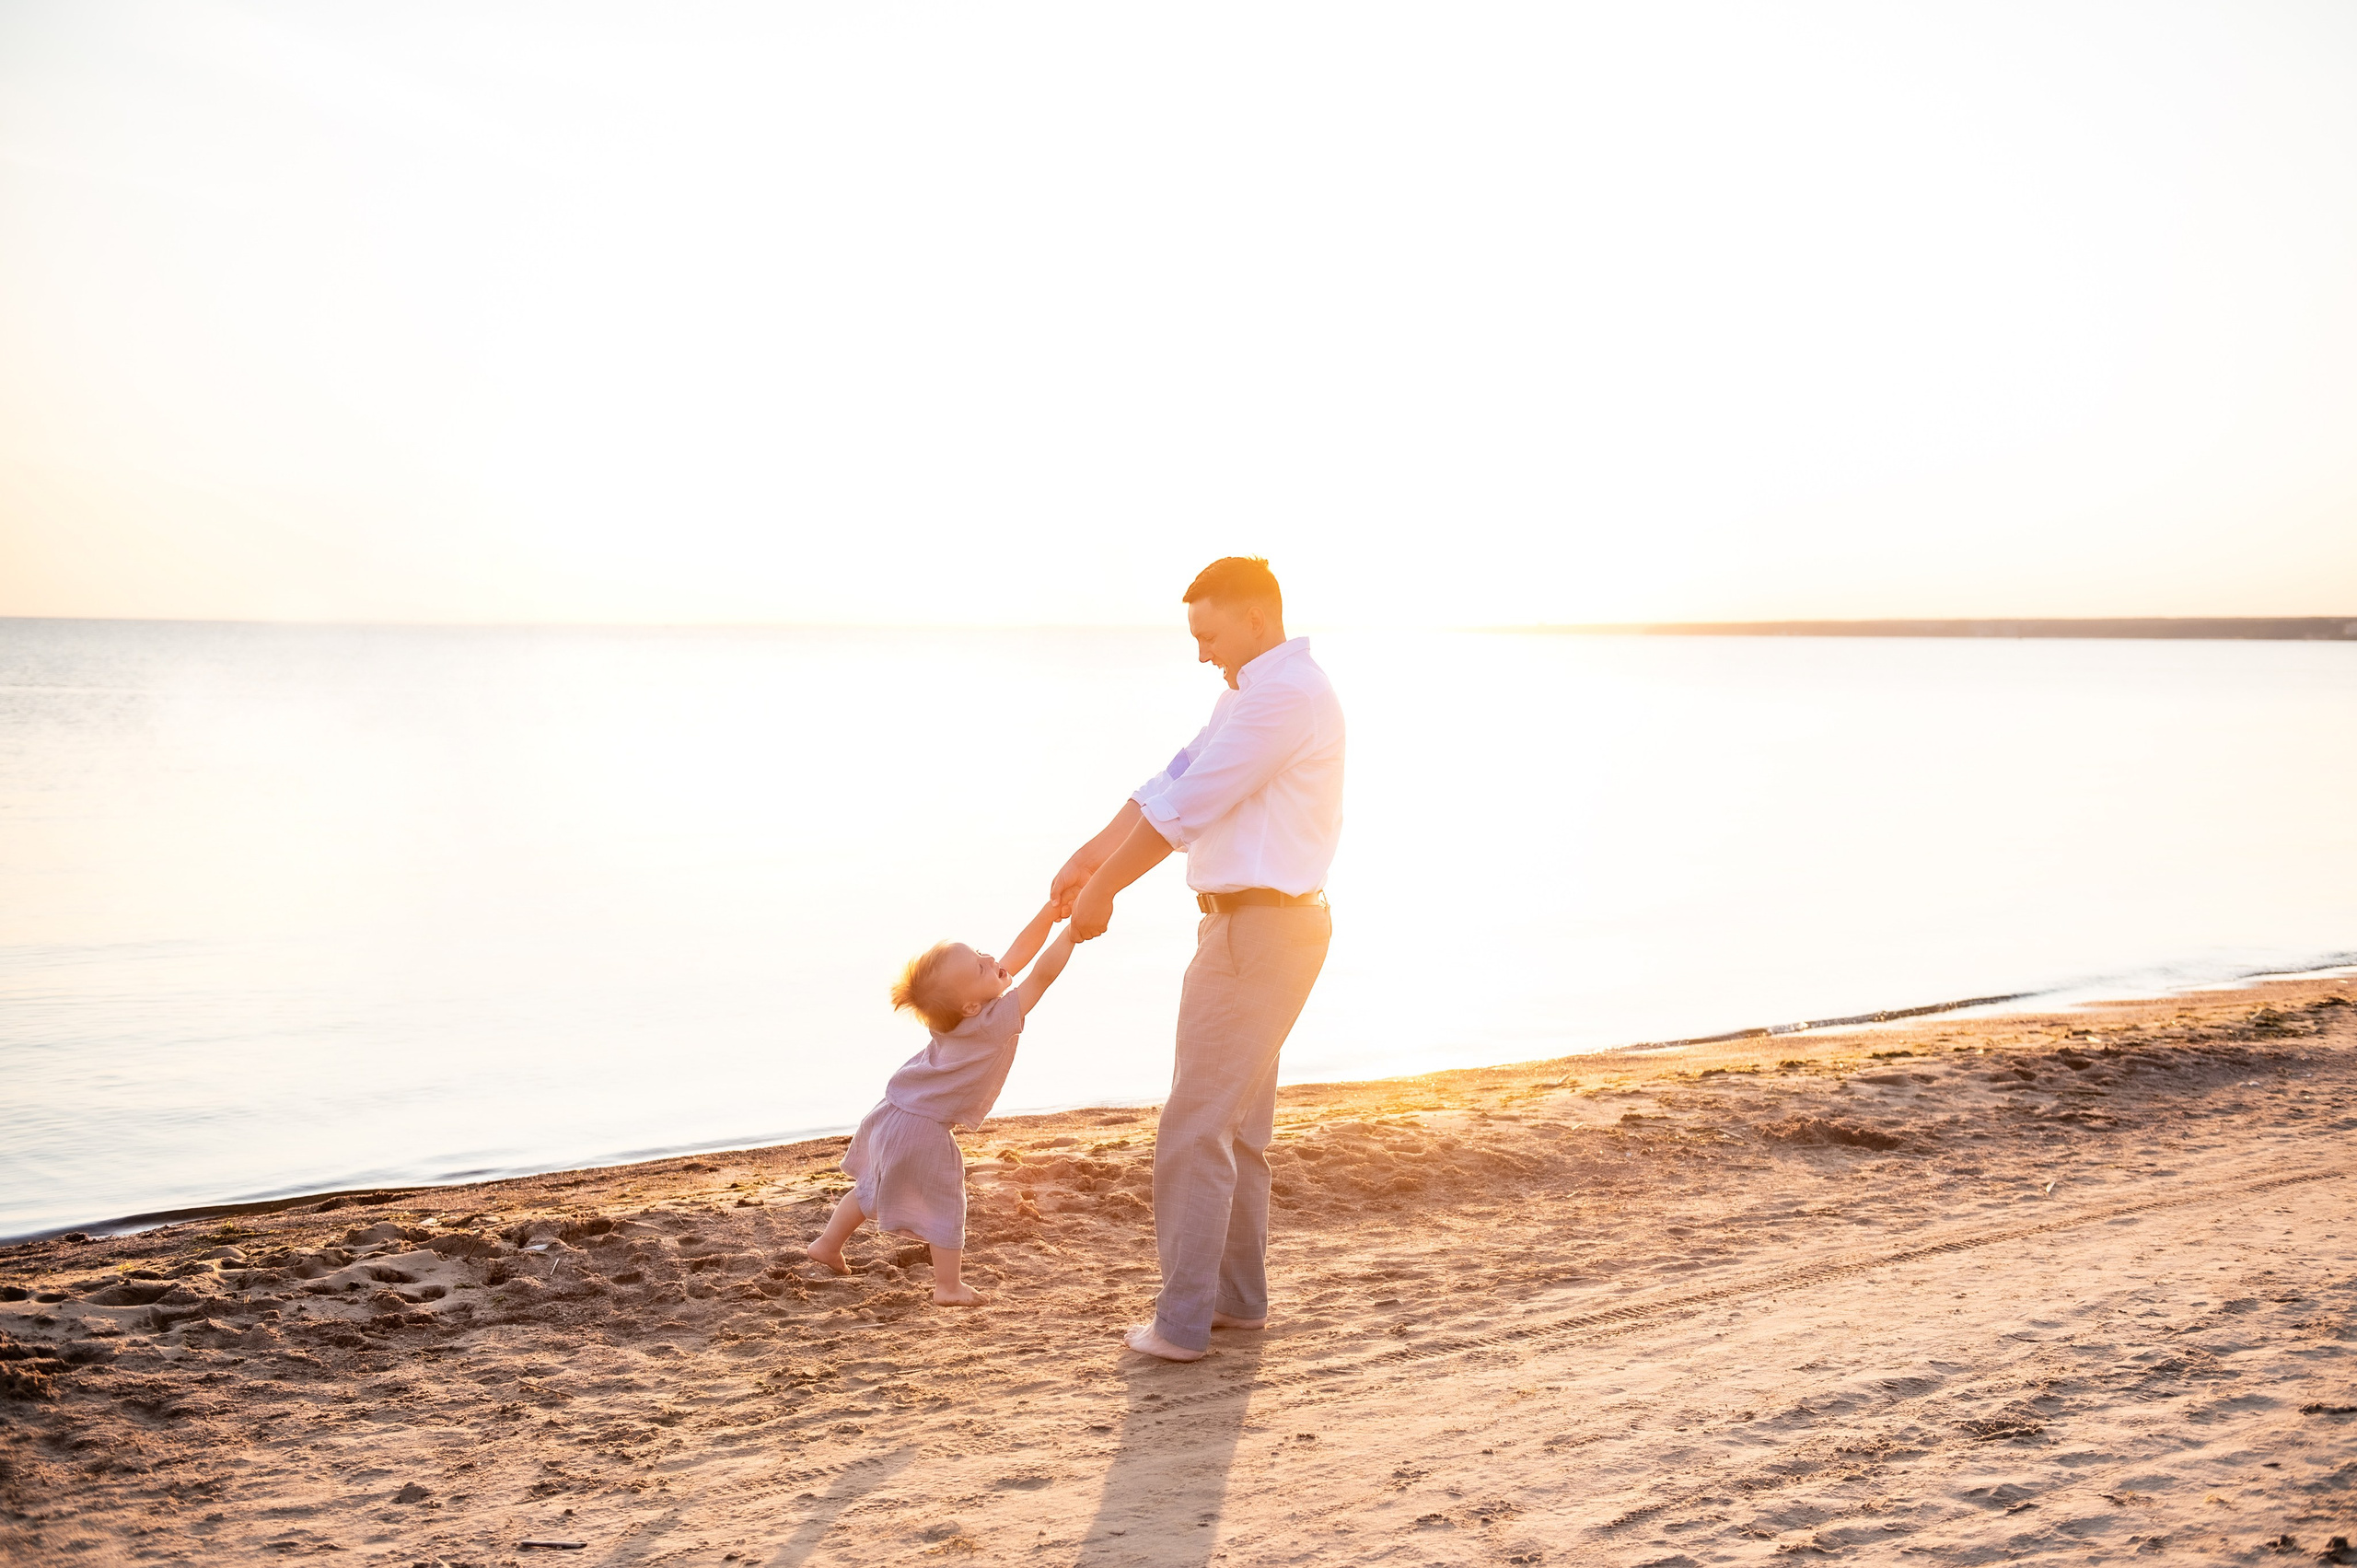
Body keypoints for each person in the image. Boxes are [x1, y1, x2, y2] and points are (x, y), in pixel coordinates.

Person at [1053, 556, 1344, 1361]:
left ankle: (1181, 1324)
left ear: (1256, 620)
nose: (1203, 652)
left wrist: (1104, 888)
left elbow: (1189, 806)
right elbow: (1170, 778)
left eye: (1210, 634)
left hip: (1258, 932)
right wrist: (1090, 852)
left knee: (1194, 1127)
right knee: (1236, 1127)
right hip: (1261, 927)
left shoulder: (1285, 697)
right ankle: (1235, 1302)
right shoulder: (1251, 694)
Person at [807, 900, 1077, 1306]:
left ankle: (827, 1244)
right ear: (970, 1003)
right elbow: (1041, 974)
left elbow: (1016, 956)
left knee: (870, 1188)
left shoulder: (950, 1012)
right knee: (947, 1202)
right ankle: (948, 1287)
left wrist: (1052, 912)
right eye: (981, 966)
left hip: (891, 1113)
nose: (991, 960)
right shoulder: (991, 1021)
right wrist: (1072, 934)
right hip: (924, 1127)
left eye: (982, 953)